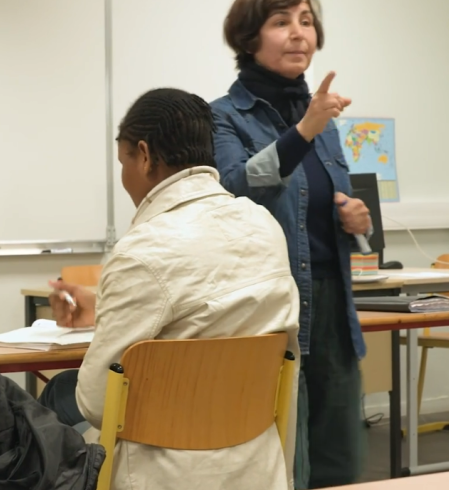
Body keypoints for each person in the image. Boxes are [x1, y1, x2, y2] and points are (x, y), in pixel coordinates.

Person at [40, 88, 301, 490]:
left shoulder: (142, 250)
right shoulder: (263, 225)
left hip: (162, 473)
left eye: (124, 161)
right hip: (257, 464)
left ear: (144, 156)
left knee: (51, 400)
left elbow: (96, 403)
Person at [209, 0, 372, 487]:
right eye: (281, 22)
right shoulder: (222, 116)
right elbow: (236, 188)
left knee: (340, 456)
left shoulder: (322, 119)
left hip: (333, 304)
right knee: (285, 456)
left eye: (306, 22)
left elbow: (330, 205)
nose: (299, 33)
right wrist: (306, 130)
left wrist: (357, 221)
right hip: (270, 306)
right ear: (248, 38)